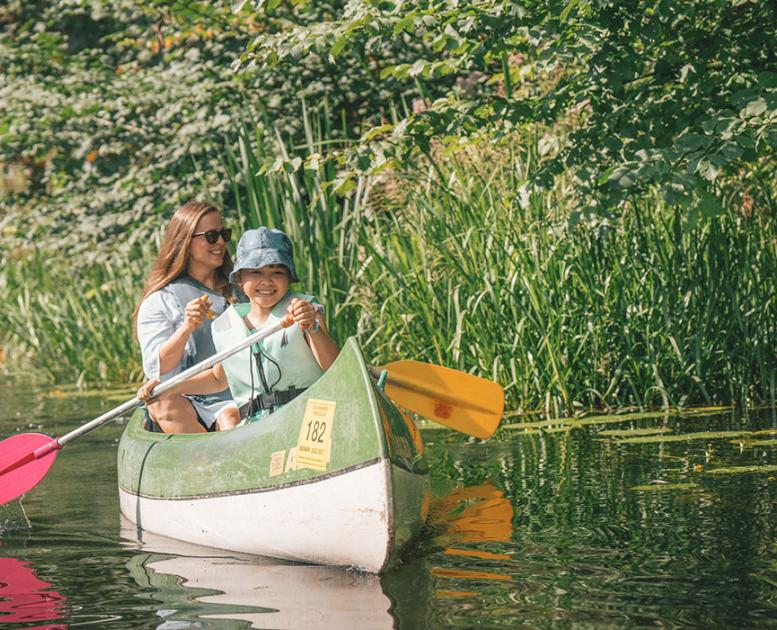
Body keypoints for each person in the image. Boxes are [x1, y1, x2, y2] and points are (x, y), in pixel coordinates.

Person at [137, 227, 339, 424]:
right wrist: (169, 387)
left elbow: (334, 367)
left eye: (277, 272)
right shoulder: (226, 326)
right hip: (257, 424)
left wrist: (312, 327)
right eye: (256, 272)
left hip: (308, 414)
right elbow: (218, 379)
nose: (267, 281)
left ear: (289, 278)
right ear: (240, 278)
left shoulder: (305, 311)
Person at [134, 201, 241, 433]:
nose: (221, 242)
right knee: (162, 403)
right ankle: (204, 452)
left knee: (229, 419)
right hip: (188, 400)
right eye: (211, 236)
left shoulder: (245, 288)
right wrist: (186, 328)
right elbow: (159, 370)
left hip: (238, 394)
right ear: (185, 242)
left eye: (223, 234)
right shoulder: (160, 301)